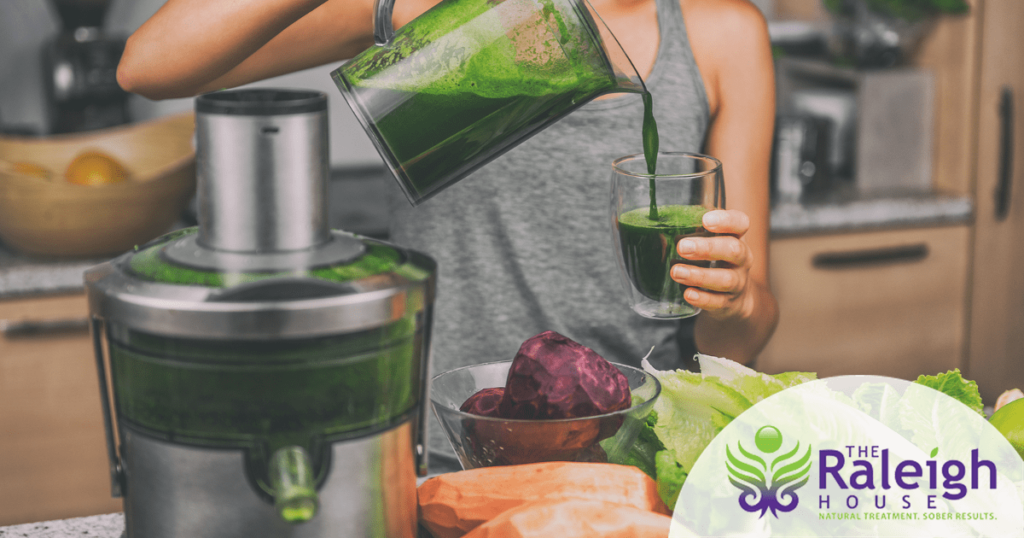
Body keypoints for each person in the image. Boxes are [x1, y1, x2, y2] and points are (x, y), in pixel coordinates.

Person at [117, 0, 779, 468]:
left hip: (624, 461)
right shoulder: (434, 7)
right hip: (439, 455)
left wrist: (736, 300)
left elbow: (740, 339)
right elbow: (150, 67)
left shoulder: (721, 32)